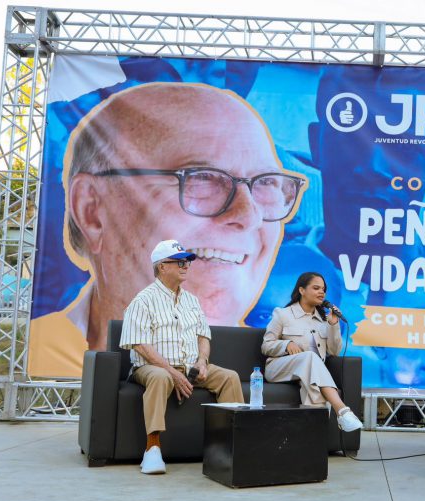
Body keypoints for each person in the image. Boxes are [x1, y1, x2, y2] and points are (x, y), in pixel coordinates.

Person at [28, 82, 307, 377]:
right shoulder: (47, 346)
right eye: (203, 177)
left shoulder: (267, 364)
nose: (249, 216)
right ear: (92, 211)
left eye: (266, 183)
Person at [120, 239, 245, 475]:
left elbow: (203, 337)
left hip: (190, 366)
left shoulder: (192, 301)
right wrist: (172, 371)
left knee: (230, 377)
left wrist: (202, 361)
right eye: (179, 261)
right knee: (160, 378)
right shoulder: (143, 300)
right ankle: (152, 449)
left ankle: (232, 446)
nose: (186, 265)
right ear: (162, 267)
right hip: (150, 367)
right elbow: (139, 345)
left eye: (187, 261)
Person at [261, 271, 362, 432]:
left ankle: (312, 440)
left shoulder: (323, 321)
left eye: (323, 289)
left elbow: (334, 351)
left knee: (313, 386)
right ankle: (342, 410)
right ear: (301, 290)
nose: (321, 292)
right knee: (309, 357)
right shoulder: (283, 314)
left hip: (310, 374)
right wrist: (286, 344)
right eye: (316, 288)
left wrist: (333, 324)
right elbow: (266, 345)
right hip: (279, 368)